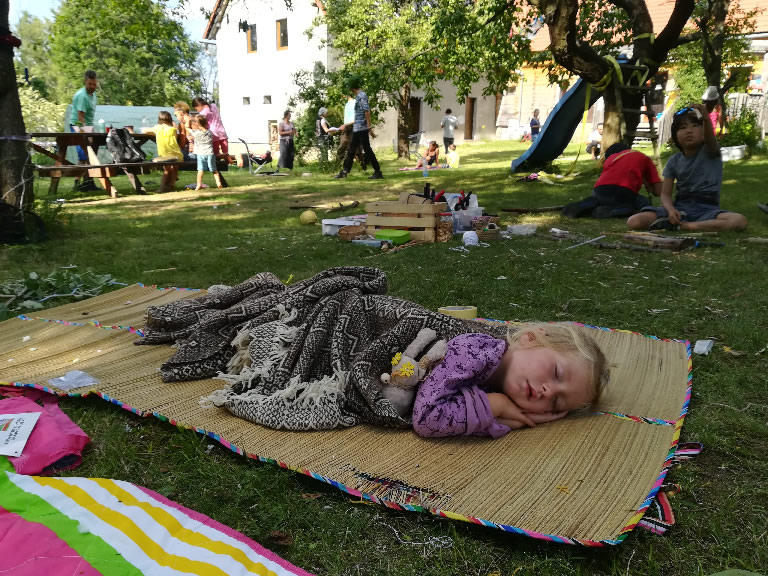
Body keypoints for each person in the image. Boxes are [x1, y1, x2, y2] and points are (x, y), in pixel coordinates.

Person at [412, 323, 609, 438]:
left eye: (556, 402)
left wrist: (505, 417)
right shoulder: (470, 352)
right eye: (556, 372)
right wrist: (495, 406)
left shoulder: (500, 384)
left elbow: (464, 420)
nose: (548, 392)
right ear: (532, 338)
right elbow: (426, 419)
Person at [627, 104, 748, 232]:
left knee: (739, 221)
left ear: (703, 130)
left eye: (695, 126)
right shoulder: (674, 161)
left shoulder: (711, 151)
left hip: (707, 211)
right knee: (634, 221)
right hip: (680, 210)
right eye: (683, 128)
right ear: (675, 136)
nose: (689, 131)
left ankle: (686, 226)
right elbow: (665, 195)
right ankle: (679, 222)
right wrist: (671, 210)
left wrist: (706, 119)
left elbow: (710, 139)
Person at [563, 143, 660, 219]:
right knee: (643, 203)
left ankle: (580, 206)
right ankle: (615, 211)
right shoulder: (644, 158)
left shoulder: (611, 159)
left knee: (600, 199)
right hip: (623, 192)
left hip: (599, 191)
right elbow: (657, 191)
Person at [334, 77, 383, 180]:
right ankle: (345, 171)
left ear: (352, 88)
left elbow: (367, 112)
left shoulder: (361, 96)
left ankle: (378, 171)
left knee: (367, 150)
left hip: (361, 128)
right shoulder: (358, 97)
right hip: (357, 128)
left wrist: (369, 127)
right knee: (351, 150)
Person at [69, 70, 99, 191]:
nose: (92, 86)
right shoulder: (82, 96)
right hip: (78, 126)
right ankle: (76, 184)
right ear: (85, 82)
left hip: (88, 126)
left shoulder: (93, 94)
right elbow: (80, 117)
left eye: (94, 84)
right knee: (83, 156)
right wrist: (87, 132)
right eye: (90, 84)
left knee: (90, 155)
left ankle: (88, 183)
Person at [187, 115, 222, 190]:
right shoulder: (209, 133)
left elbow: (187, 128)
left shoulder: (196, 133)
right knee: (214, 170)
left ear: (197, 124)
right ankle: (218, 183)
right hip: (209, 153)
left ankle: (199, 185)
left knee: (200, 170)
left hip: (201, 154)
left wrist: (188, 120)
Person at [152, 111, 183, 192]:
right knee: (174, 168)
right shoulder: (173, 129)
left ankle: (162, 188)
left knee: (167, 170)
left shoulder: (157, 128)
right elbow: (176, 137)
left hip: (164, 155)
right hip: (176, 155)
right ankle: (171, 185)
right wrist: (174, 126)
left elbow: (147, 130)